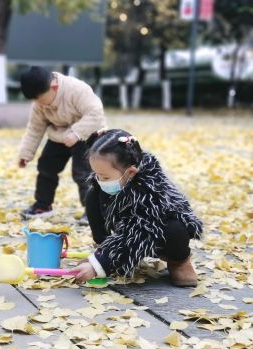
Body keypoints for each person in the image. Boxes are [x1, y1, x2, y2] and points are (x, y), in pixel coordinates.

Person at [71, 129, 203, 287]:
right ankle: (106, 247)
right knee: (92, 194)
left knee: (174, 229)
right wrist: (102, 255)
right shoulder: (111, 181)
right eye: (97, 174)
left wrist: (99, 264)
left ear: (131, 172)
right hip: (127, 229)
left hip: (159, 232)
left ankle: (179, 261)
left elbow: (137, 232)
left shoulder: (151, 192)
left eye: (105, 177)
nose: (100, 180)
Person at [18, 66, 106, 225]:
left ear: (54, 87)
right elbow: (35, 128)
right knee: (46, 166)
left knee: (82, 173)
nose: (39, 104)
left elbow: (96, 114)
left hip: (86, 134)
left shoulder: (76, 89)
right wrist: (26, 153)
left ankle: (93, 211)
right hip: (60, 135)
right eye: (35, 100)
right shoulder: (39, 103)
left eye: (41, 99)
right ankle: (43, 206)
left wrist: (77, 133)